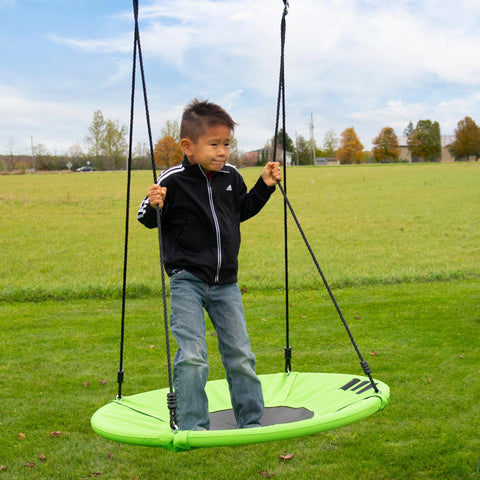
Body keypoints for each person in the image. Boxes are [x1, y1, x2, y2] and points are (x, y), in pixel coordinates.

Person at [137, 99, 282, 431]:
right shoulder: (173, 179)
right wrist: (154, 203)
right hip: (186, 280)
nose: (223, 152)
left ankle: (251, 420)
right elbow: (147, 218)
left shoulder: (230, 176)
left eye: (227, 144)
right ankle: (192, 426)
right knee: (192, 356)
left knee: (240, 356)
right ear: (188, 147)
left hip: (226, 283)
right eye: (214, 144)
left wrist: (264, 186)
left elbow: (240, 211)